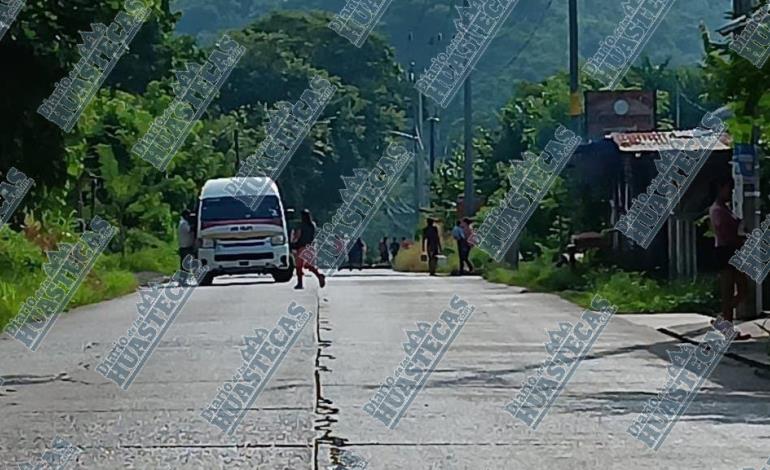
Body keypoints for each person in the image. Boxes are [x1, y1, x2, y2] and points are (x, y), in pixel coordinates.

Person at [709, 176, 750, 340]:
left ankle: (723, 320)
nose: (730, 192)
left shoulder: (726, 209)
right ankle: (727, 326)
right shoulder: (717, 210)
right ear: (720, 188)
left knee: (742, 289)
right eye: (728, 188)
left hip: (733, 250)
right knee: (728, 291)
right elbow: (725, 233)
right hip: (726, 251)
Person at [291, 209, 326, 290]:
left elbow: (298, 236)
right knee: (309, 265)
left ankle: (300, 283)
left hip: (301, 247)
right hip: (310, 246)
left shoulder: (301, 225)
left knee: (299, 266)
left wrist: (293, 243)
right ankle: (319, 275)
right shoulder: (312, 225)